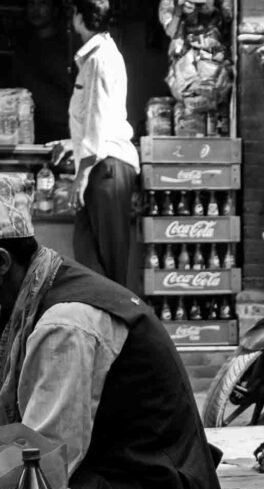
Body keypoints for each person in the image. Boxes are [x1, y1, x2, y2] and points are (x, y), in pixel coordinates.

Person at [0, 208, 228, 489]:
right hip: (117, 486)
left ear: (2, 263)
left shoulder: (66, 324)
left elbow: (37, 478)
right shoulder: (39, 291)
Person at [53, 0, 141, 294]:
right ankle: (100, 327)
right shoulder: (96, 56)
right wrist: (71, 145)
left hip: (106, 169)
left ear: (80, 17)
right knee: (89, 257)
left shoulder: (99, 58)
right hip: (101, 166)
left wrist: (82, 175)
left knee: (108, 261)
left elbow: (98, 118)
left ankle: (120, 332)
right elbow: (94, 118)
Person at [11, 0, 72, 144]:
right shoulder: (23, 48)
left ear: (54, 9)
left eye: (42, 3)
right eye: (31, 3)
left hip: (63, 133)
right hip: (28, 131)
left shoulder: (67, 47)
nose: (36, 9)